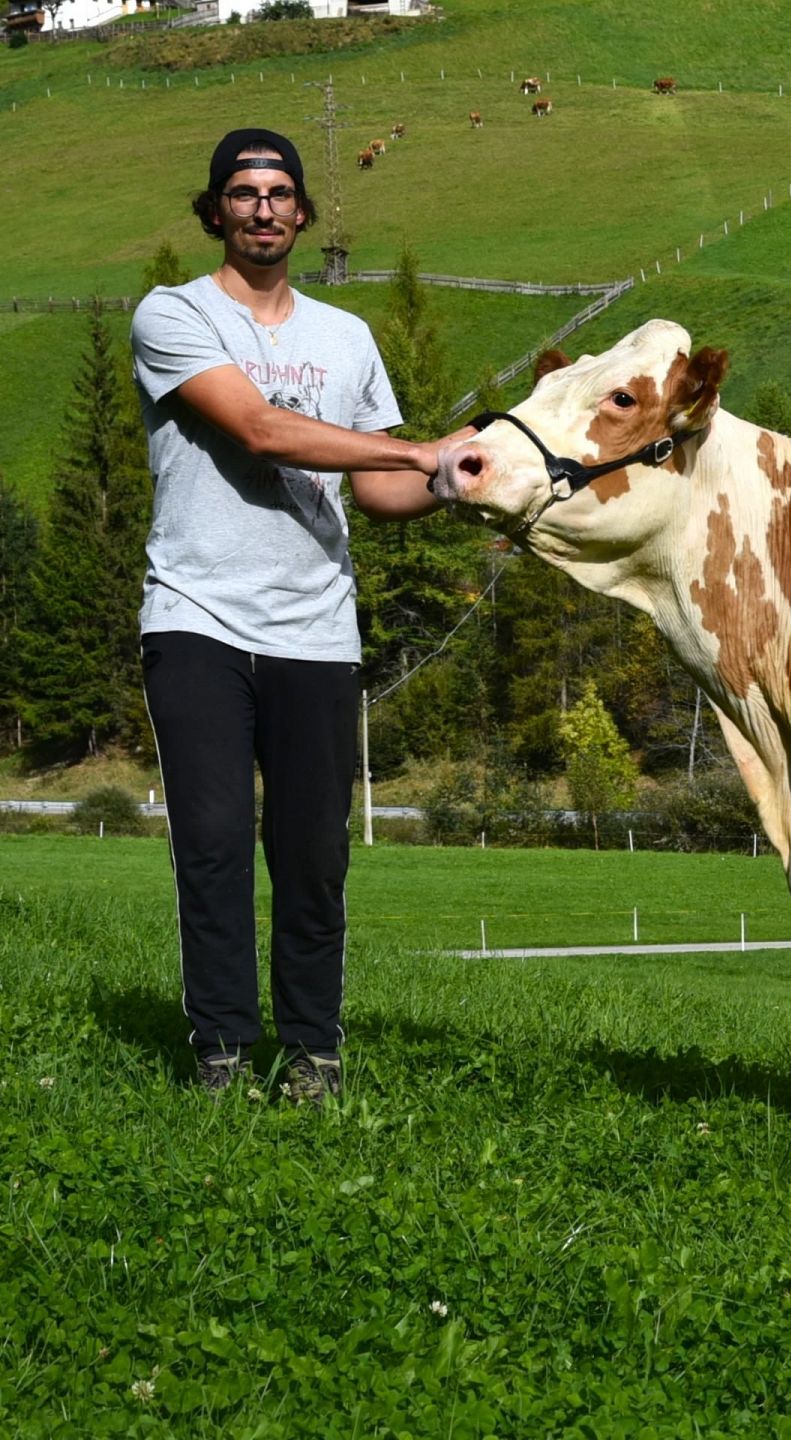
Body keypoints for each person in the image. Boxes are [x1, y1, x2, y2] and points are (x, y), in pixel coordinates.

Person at [130, 128, 463, 1101]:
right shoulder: (172, 315)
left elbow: (383, 492)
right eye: (244, 191)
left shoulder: (345, 340)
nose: (264, 207)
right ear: (217, 211)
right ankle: (224, 1052)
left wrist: (459, 476)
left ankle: (312, 1052)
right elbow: (261, 430)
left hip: (316, 625)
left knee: (314, 853)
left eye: (280, 192)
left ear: (305, 213)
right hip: (196, 614)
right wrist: (416, 449)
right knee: (218, 837)